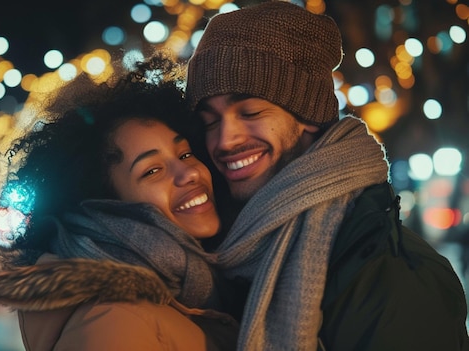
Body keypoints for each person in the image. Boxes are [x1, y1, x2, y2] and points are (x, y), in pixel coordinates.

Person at [184, 1, 469, 350]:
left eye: (250, 111)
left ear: (308, 115)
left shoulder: (390, 277)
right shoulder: (232, 246)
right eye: (210, 120)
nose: (225, 140)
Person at [0, 55, 238, 351]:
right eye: (152, 171)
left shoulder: (200, 283)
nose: (189, 173)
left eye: (185, 154)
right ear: (108, 204)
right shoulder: (114, 321)